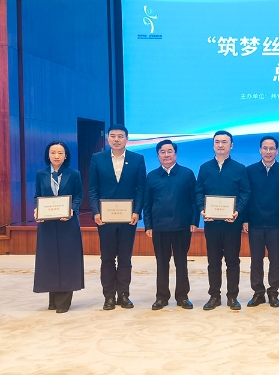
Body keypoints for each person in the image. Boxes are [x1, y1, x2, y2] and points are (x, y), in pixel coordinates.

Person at [89, 124, 146, 310]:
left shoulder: (137, 159)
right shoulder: (97, 158)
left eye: (120, 136)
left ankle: (123, 295)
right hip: (105, 218)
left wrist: (137, 211)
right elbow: (93, 188)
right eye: (112, 136)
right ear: (108, 138)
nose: (116, 139)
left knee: (125, 258)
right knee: (107, 258)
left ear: (127, 139)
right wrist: (96, 211)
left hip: (128, 217)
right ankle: (109, 296)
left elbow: (141, 188)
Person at [196, 130, 251, 311]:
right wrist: (202, 209)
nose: (220, 145)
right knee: (213, 261)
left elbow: (245, 192)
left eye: (224, 142)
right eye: (217, 142)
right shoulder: (205, 167)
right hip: (211, 222)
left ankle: (232, 296)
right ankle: (214, 296)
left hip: (231, 223)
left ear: (231, 145)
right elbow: (199, 191)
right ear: (213, 145)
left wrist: (237, 210)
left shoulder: (239, 168)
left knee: (232, 260)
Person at [144, 140, 199, 310]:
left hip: (182, 226)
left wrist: (194, 221)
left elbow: (194, 200)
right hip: (159, 227)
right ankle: (162, 297)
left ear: (175, 154)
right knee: (162, 263)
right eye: (162, 152)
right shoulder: (152, 176)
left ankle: (182, 296)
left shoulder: (187, 174)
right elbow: (147, 202)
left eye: (170, 151)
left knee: (181, 262)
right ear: (158, 155)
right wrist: (148, 225)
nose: (166, 155)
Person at [33, 141, 84, 314]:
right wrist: (37, 209)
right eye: (53, 152)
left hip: (67, 222)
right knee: (49, 259)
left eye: (60, 153)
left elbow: (78, 195)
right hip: (47, 224)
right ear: (48, 155)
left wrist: (72, 209)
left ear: (66, 155)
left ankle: (64, 301)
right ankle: (53, 298)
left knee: (67, 259)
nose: (56, 156)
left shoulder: (74, 174)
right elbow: (37, 196)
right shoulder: (41, 174)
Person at [243, 136, 279, 308]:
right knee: (256, 260)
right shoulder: (250, 170)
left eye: (272, 148)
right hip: (255, 223)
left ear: (277, 151)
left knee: (275, 260)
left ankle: (273, 293)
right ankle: (258, 293)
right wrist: (245, 219)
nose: (268, 151)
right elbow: (246, 196)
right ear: (260, 150)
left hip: (275, 224)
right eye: (265, 148)